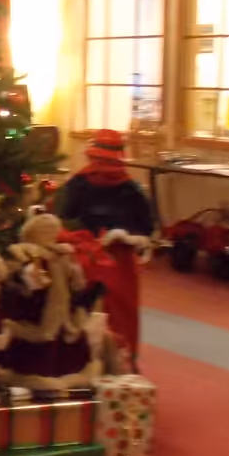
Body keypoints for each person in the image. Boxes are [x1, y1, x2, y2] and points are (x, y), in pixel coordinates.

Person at [54, 130, 155, 365]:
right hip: (83, 254)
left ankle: (119, 360)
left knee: (119, 311)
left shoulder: (131, 190)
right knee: (81, 308)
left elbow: (146, 229)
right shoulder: (78, 185)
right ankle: (82, 359)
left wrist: (126, 236)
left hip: (119, 257)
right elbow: (64, 219)